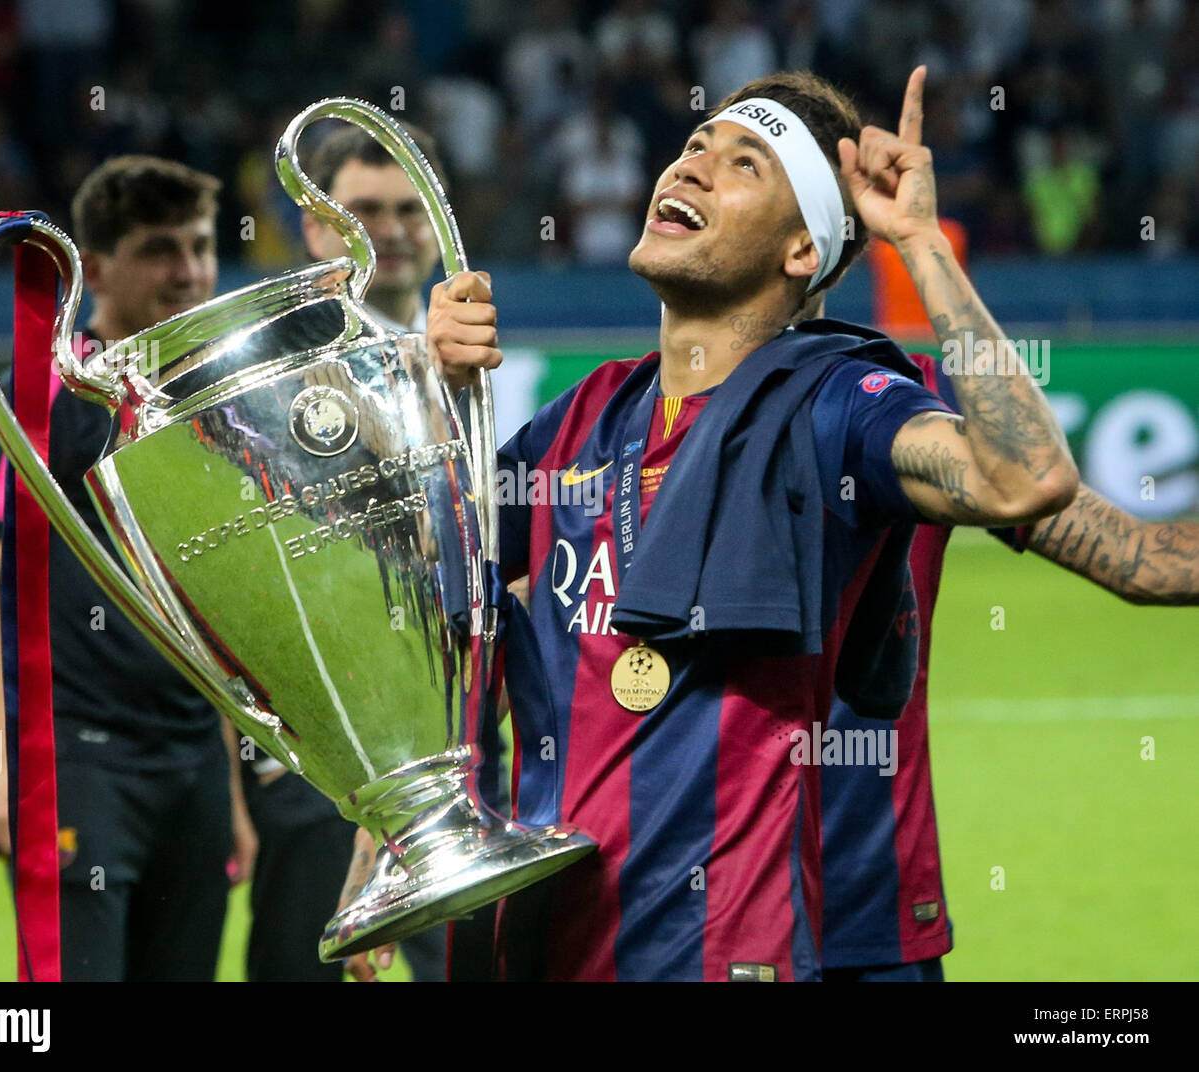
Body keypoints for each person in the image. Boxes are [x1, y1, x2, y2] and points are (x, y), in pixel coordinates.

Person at [418, 67, 1079, 981]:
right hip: (548, 947)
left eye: (743, 164)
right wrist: (436, 393)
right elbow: (419, 604)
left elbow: (1026, 478)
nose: (690, 168)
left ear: (801, 252)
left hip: (728, 952)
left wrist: (922, 244)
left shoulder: (838, 405)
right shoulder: (577, 419)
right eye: (694, 146)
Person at [0, 155, 252, 981]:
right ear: (97, 267)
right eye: (160, 248)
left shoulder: (203, 407)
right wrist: (1, 773)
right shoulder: (45, 395)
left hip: (190, 770)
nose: (188, 270)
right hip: (78, 763)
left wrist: (229, 787)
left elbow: (204, 609)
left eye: (200, 245)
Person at [819, 348, 1199, 983]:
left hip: (867, 913)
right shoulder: (621, 416)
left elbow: (1143, 558)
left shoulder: (904, 403)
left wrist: (924, 250)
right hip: (688, 908)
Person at [240, 121, 464, 984]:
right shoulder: (268, 380)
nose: (392, 230)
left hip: (462, 750)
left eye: (410, 209)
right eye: (362, 209)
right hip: (322, 766)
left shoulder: (474, 365)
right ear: (315, 226)